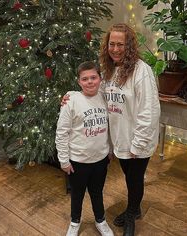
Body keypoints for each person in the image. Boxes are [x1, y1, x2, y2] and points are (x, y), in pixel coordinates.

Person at [62, 23, 160, 236]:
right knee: (129, 178)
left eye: (120, 44)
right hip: (120, 139)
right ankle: (134, 207)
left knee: (134, 179)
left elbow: (149, 111)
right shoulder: (107, 70)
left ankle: (132, 215)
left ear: (130, 46)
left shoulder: (142, 71)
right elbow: (95, 91)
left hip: (136, 140)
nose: (115, 49)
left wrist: (138, 144)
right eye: (112, 44)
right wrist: (71, 96)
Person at [56, 61, 114, 236]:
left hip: (100, 160)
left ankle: (100, 220)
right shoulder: (71, 101)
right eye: (85, 79)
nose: (90, 82)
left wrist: (110, 150)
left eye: (93, 77)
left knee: (97, 192)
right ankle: (75, 222)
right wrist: (64, 160)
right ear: (79, 81)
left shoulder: (104, 98)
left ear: (100, 79)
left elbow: (111, 126)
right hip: (78, 161)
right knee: (77, 194)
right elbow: (62, 133)